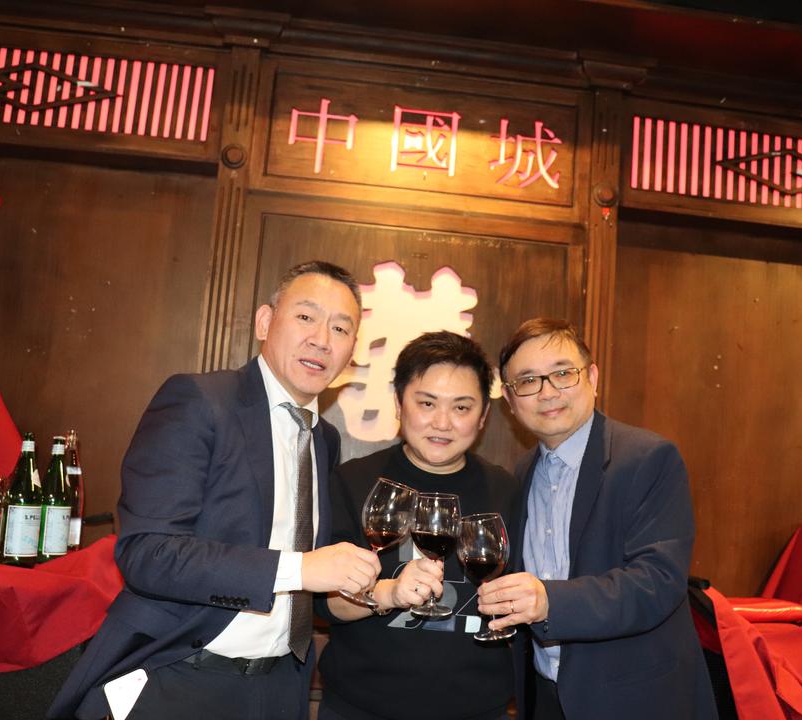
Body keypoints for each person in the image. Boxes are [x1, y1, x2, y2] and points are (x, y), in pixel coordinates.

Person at [48, 261, 382, 720]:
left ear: (351, 350)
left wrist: (382, 590)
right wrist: (300, 568)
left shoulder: (323, 438)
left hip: (280, 687)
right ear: (265, 322)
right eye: (306, 317)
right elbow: (149, 553)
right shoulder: (200, 401)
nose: (322, 339)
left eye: (340, 328)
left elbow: (311, 582)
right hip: (181, 675)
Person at [477, 318, 717, 720]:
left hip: (632, 699)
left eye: (562, 374)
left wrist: (549, 601)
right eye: (528, 381)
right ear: (510, 400)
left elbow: (657, 581)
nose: (547, 392)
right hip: (545, 696)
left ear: (592, 377)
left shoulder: (648, 458)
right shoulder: (521, 474)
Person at [316, 331, 517, 720]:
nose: (442, 423)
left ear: (483, 417)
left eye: (461, 407)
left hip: (478, 708)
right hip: (360, 708)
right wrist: (389, 593)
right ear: (398, 403)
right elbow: (328, 604)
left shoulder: (505, 489)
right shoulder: (353, 481)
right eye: (427, 403)